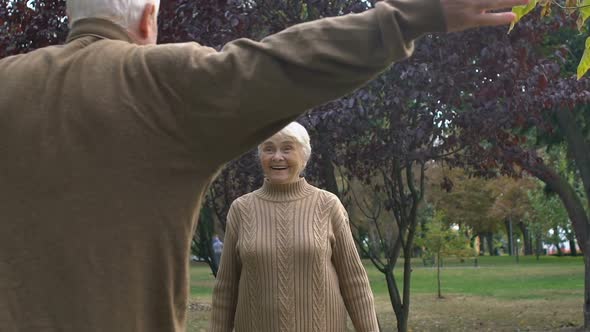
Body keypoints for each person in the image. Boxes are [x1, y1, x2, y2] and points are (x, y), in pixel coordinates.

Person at [0, 0, 527, 331]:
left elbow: (352, 280)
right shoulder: (154, 85)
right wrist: (417, 14)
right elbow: (281, 64)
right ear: (148, 19)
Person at [210, 122, 379, 332]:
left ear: (305, 156)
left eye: (287, 148)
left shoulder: (327, 205)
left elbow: (355, 283)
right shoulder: (241, 209)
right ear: (260, 156)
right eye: (269, 148)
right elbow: (225, 289)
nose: (277, 156)